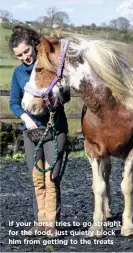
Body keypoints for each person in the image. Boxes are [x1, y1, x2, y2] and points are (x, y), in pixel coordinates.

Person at [9, 26, 70, 238]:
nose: (25, 57)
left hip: (54, 128)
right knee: (37, 179)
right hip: (32, 132)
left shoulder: (49, 64)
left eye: (27, 51)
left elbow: (66, 94)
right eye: (19, 55)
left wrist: (54, 98)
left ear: (33, 47)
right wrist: (26, 118)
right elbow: (14, 103)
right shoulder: (17, 73)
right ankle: (40, 222)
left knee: (51, 177)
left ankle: (52, 224)